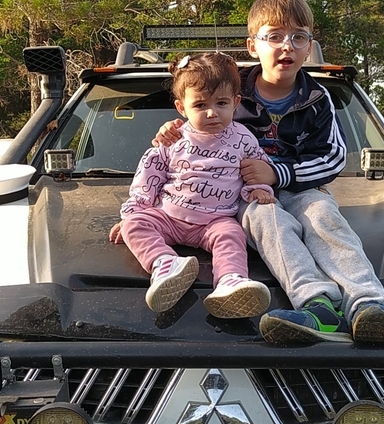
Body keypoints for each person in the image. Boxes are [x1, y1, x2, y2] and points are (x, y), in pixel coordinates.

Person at [152, 0, 384, 344]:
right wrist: (171, 131)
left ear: (308, 47)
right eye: (274, 36)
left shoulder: (318, 98)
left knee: (324, 217)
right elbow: (196, 125)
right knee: (267, 220)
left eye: (298, 37)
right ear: (252, 46)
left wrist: (279, 173)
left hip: (303, 188)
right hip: (245, 195)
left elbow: (333, 156)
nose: (287, 45)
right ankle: (318, 305)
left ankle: (369, 306)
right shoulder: (228, 91)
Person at [109, 52, 275, 319]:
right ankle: (165, 264)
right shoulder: (173, 137)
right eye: (200, 105)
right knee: (134, 225)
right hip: (169, 217)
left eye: (221, 103)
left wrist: (259, 190)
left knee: (232, 236)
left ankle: (230, 281)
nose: (212, 112)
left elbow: (258, 168)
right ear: (181, 107)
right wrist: (132, 213)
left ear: (235, 102)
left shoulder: (244, 139)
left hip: (215, 221)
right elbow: (149, 175)